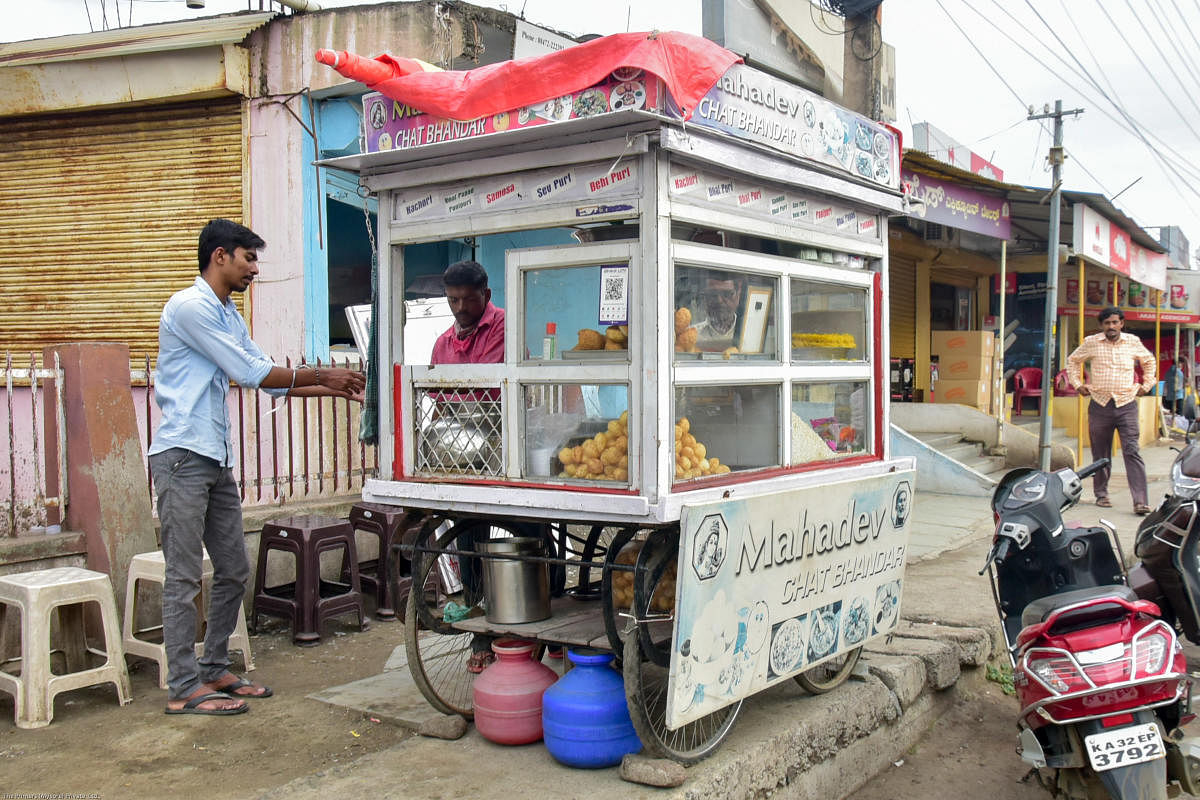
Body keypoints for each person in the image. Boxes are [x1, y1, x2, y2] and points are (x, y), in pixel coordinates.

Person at [150, 219, 365, 716]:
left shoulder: (228, 315)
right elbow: (250, 372)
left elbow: (268, 382)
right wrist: (322, 372)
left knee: (232, 568)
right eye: (249, 258)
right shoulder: (190, 308)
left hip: (214, 456)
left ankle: (213, 666)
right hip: (182, 455)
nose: (255, 269)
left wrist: (329, 387)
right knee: (184, 577)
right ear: (220, 256)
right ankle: (183, 687)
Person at [1066, 306, 1157, 515]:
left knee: (1132, 451)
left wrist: (1147, 384)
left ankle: (1140, 501)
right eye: (1107, 323)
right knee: (1101, 453)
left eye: (1115, 322)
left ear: (1121, 323)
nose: (1111, 327)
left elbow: (1149, 361)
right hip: (1100, 404)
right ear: (1101, 326)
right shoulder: (1092, 343)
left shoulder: (1132, 341)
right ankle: (1101, 494)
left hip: (1127, 404)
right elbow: (1073, 361)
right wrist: (1077, 383)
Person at [694, 272, 744, 353]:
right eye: (712, 294)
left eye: (727, 294)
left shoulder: (749, 334)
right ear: (705, 299)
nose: (719, 300)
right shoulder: (692, 336)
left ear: (738, 295)